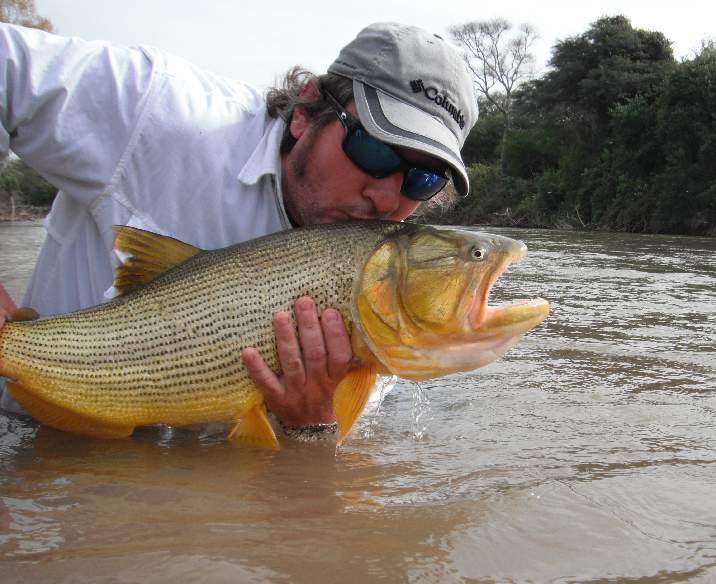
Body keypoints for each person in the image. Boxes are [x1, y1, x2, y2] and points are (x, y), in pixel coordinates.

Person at [0, 21, 478, 434]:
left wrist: (310, 426)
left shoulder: (389, 297)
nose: (387, 197)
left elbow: (311, 480)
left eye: (423, 178)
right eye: (373, 150)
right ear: (307, 109)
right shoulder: (162, 112)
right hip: (24, 430)